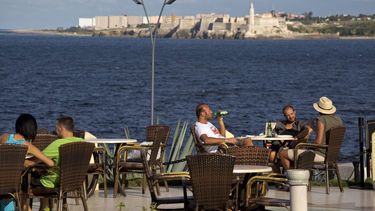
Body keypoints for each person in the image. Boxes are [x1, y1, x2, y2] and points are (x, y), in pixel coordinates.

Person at [26, 116, 83, 210]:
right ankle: (45, 208)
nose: (55, 130)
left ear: (60, 128)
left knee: (23, 183)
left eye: (56, 128)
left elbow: (36, 161)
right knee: (43, 173)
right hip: (74, 181)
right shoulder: (81, 142)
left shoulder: (58, 144)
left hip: (54, 182)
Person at [0, 114, 54, 211]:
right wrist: (31, 161)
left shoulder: (4, 137)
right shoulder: (27, 145)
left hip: (2, 181)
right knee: (24, 192)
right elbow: (50, 163)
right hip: (13, 186)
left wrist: (22, 161)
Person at [279, 96, 343, 170]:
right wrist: (313, 129)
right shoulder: (338, 119)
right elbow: (326, 133)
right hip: (332, 155)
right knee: (297, 150)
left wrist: (305, 146)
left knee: (283, 153)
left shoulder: (321, 120)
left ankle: (291, 177)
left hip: (320, 154)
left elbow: (318, 143)